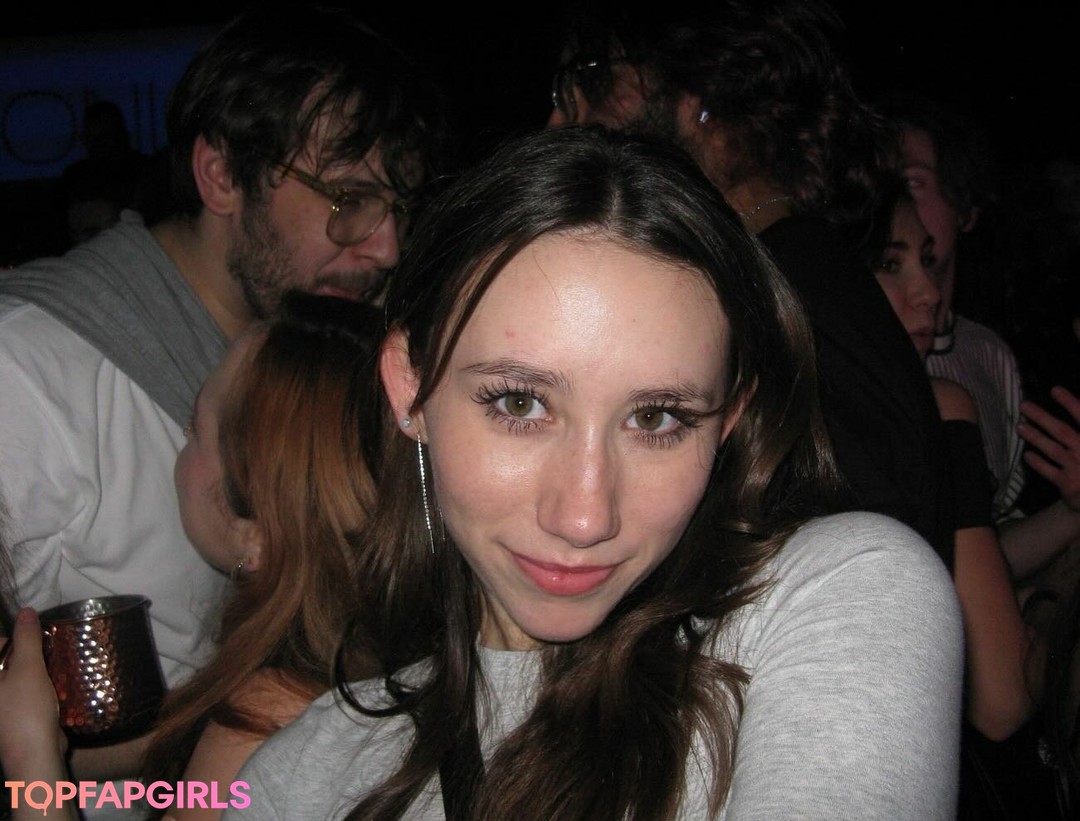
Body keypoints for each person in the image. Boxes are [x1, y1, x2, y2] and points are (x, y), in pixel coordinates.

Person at [227, 125, 963, 819]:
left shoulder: (840, 599)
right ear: (409, 387)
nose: (584, 517)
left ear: (729, 420)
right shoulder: (299, 777)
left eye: (657, 418)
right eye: (519, 403)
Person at [0, 0, 443, 790]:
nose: (386, 246)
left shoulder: (350, 364)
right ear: (221, 176)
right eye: (347, 200)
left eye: (398, 207)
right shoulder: (28, 369)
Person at [546, 0, 955, 564]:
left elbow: (872, 555)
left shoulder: (779, 297)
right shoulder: (789, 271)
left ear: (699, 102)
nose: (560, 122)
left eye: (590, 81)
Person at [0, 292, 384, 820]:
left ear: (259, 535)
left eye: (195, 430)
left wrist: (31, 763)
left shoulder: (265, 720)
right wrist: (55, 749)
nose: (182, 448)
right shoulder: (353, 652)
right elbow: (191, 788)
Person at [882, 90, 1080, 593]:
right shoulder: (847, 350)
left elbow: (983, 557)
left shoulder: (990, 357)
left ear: (965, 206)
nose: (891, 197)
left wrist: (1072, 508)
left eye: (911, 181)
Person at [58, 100, 154, 247]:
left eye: (103, 136)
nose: (95, 144)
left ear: (119, 135)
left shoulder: (146, 172)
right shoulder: (75, 176)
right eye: (90, 137)